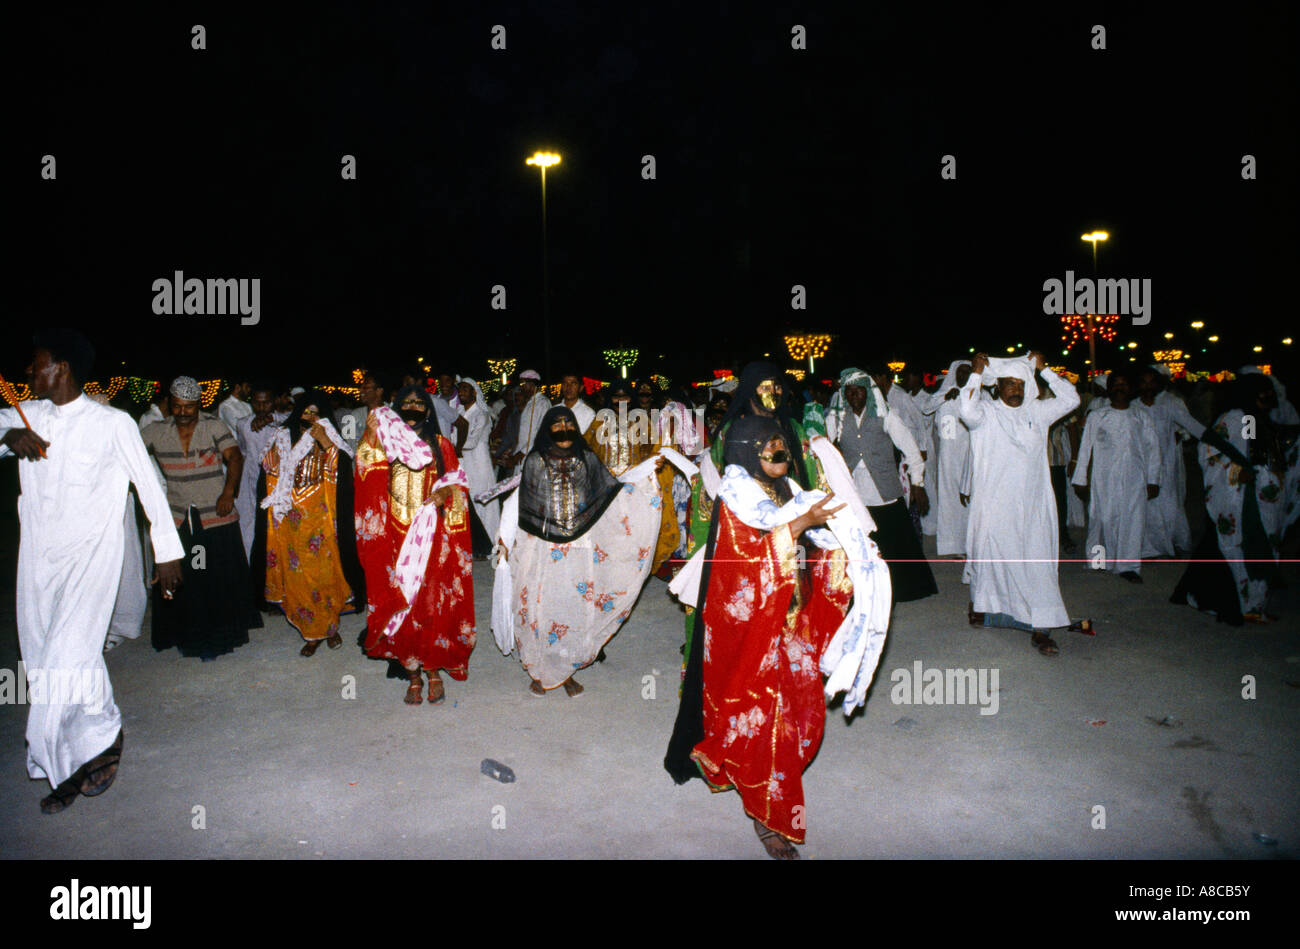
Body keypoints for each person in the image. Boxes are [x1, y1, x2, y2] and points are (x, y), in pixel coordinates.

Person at [1, 330, 183, 813]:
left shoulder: (112, 423)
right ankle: (85, 749)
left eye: (35, 364)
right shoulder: (28, 416)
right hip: (39, 563)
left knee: (68, 653)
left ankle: (80, 752)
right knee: (45, 660)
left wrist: (168, 552)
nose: (28, 372)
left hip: (90, 560)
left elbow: (148, 486)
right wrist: (5, 434)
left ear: (60, 368)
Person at [662, 416, 859, 859]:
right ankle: (769, 819)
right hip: (751, 631)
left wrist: (844, 547)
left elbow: (814, 545)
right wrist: (800, 524)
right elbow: (746, 567)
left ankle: (775, 783)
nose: (778, 453)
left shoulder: (790, 489)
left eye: (781, 445)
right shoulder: (736, 500)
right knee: (762, 725)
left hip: (790, 620)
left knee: (795, 717)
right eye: (767, 447)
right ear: (748, 450)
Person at [493, 406, 685, 696]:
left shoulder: (588, 461)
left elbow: (615, 492)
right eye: (556, 425)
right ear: (547, 430)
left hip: (579, 550)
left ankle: (566, 670)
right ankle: (539, 668)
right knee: (539, 608)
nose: (564, 430)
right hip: (541, 550)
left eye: (568, 424)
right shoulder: (534, 462)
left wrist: (646, 475)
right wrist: (504, 542)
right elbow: (515, 504)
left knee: (574, 608)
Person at [354, 385, 475, 704]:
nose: (411, 407)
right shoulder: (383, 442)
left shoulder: (441, 444)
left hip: (432, 536)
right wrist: (369, 439)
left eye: (418, 403)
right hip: (393, 535)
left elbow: (459, 485)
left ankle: (433, 670)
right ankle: (412, 673)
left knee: (431, 603)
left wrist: (445, 494)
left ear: (428, 410)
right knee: (403, 606)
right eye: (405, 402)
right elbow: (365, 474)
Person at [959, 352, 1083, 656]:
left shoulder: (1038, 412)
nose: (1015, 388)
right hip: (996, 506)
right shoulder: (985, 413)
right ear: (998, 387)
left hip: (1033, 507)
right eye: (1008, 383)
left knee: (1037, 565)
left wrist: (1043, 368)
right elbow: (966, 409)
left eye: (1020, 383)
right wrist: (976, 372)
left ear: (1028, 385)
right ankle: (992, 613)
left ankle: (1041, 628)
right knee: (999, 565)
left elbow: (1072, 399)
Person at [141, 376, 262, 658]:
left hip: (213, 515)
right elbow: (130, 454)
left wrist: (228, 493)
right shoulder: (156, 430)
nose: (183, 413)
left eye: (189, 407)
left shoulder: (213, 425)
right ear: (170, 404)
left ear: (199, 405)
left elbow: (234, 457)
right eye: (178, 407)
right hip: (178, 515)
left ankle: (215, 637)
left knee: (209, 573)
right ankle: (185, 634)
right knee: (187, 577)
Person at [1171, 374, 1298, 624]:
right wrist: (1236, 470)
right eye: (1260, 392)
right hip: (1238, 501)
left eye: (1268, 391)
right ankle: (1240, 604)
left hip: (1265, 503)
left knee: (1264, 549)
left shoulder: (1260, 419)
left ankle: (1255, 604)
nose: (1266, 397)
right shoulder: (1235, 418)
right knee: (1239, 548)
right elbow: (1210, 451)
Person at [256, 390, 363, 655]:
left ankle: (330, 627)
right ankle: (311, 634)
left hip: (321, 518)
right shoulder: (281, 437)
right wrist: (269, 464)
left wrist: (326, 442)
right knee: (298, 577)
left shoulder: (327, 435)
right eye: (306, 411)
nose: (311, 416)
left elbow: (343, 470)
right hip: (290, 521)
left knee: (326, 574)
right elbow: (269, 473)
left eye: (316, 412)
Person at [830, 367, 937, 602]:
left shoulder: (886, 415)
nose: (854, 396)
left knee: (893, 541)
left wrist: (917, 483)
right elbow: (825, 446)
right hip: (854, 491)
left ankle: (899, 590)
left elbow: (910, 449)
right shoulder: (837, 418)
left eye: (859, 391)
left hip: (884, 488)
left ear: (867, 392)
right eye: (849, 392)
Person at [1071, 368, 1161, 582]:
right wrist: (1080, 479)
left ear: (1131, 389)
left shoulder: (1141, 416)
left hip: (1134, 478)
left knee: (1132, 520)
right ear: (1109, 389)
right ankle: (1099, 560)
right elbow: (1085, 449)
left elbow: (1154, 450)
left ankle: (1128, 566)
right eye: (1116, 384)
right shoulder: (1097, 416)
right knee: (1101, 518)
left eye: (1124, 384)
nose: (1120, 388)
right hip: (1104, 478)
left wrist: (1153, 480)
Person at [1134, 366, 1204, 557]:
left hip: (1167, 460)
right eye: (1144, 382)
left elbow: (1190, 427)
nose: (1148, 386)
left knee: (1169, 501)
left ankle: (1174, 541)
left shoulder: (1171, 403)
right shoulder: (1133, 406)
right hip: (1141, 464)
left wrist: (1182, 436)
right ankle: (1149, 547)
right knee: (1145, 504)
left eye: (1151, 382)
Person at [233, 383, 281, 561]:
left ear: (274, 401)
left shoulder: (282, 422)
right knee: (248, 524)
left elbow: (290, 418)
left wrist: (272, 419)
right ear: (251, 402)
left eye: (266, 403)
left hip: (276, 482)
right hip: (250, 479)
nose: (262, 408)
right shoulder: (243, 424)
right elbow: (242, 452)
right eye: (257, 403)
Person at [931, 360, 973, 557]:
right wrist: (945, 398)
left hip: (970, 454)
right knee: (950, 498)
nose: (964, 376)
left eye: (968, 372)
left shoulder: (977, 395)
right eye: (961, 372)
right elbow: (926, 407)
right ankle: (953, 545)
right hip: (948, 456)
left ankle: (970, 543)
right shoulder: (944, 394)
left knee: (970, 498)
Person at [455, 378, 502, 552]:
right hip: (463, 464)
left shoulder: (481, 415)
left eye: (466, 389)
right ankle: (473, 544)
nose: (462, 392)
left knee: (483, 502)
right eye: (460, 389)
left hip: (478, 464)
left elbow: (471, 441)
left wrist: (453, 447)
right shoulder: (459, 414)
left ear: (474, 392)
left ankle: (491, 543)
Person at [496, 370, 550, 475]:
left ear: (531, 384)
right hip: (522, 456)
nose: (521, 387)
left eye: (522, 384)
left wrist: (521, 454)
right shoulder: (530, 403)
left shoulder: (542, 403)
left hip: (533, 455)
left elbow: (540, 433)